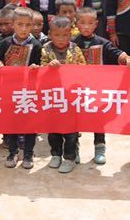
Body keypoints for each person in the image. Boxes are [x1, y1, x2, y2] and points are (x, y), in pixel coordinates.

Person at [73, 7, 130, 164]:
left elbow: (117, 54)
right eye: (82, 23)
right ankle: (73, 149)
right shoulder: (72, 43)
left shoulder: (103, 43)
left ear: (96, 24)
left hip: (96, 90)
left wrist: (126, 59)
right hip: (75, 90)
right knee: (74, 118)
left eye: (90, 23)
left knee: (98, 119)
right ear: (76, 24)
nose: (86, 26)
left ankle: (100, 148)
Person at [0, 7, 42, 169]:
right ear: (13, 24)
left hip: (28, 91)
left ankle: (28, 154)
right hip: (10, 91)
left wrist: (37, 67)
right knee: (12, 123)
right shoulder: (5, 43)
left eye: (28, 25)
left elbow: (40, 65)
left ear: (32, 26)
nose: (24, 29)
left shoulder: (36, 45)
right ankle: (13, 152)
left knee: (29, 123)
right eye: (20, 24)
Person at [42, 16, 87, 174]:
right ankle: (56, 154)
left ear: (70, 34)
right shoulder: (45, 49)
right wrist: (48, 66)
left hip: (71, 97)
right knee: (53, 128)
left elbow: (83, 68)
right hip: (53, 97)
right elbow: (40, 68)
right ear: (50, 34)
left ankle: (70, 157)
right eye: (57, 35)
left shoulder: (75, 49)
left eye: (65, 35)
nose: (61, 39)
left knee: (71, 130)